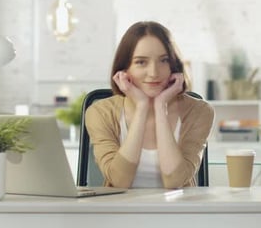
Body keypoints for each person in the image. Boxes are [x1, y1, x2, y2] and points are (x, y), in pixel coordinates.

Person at [85, 21, 215, 189]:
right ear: (124, 69)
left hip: (177, 213)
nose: (154, 73)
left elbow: (174, 182)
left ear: (173, 65)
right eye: (141, 62)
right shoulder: (99, 112)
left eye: (164, 60)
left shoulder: (200, 112)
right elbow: (119, 181)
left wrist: (160, 107)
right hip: (121, 213)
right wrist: (142, 107)